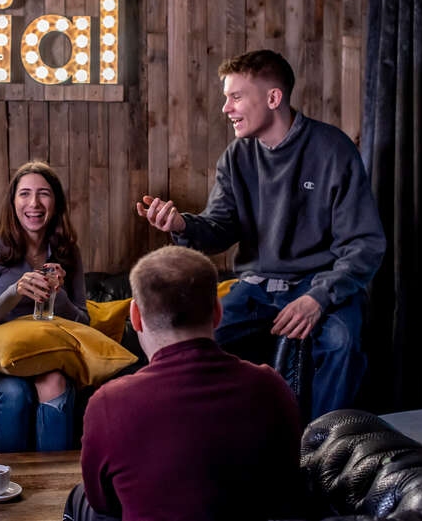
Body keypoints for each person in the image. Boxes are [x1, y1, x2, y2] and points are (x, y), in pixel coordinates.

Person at [136, 49, 386, 418]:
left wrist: (318, 297)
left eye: (236, 97)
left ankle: (323, 451)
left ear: (273, 98)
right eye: (226, 98)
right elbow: (220, 227)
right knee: (188, 344)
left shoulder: (333, 150)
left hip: (319, 284)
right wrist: (182, 225)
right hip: (255, 289)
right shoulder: (236, 157)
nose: (226, 108)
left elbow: (364, 244)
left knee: (341, 341)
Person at [65, 246, 302, 521]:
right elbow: (285, 491)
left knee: (80, 498)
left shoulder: (106, 403)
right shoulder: (270, 387)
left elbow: (101, 501)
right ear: (217, 312)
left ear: (135, 317)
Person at [0, 161, 89, 452]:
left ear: (55, 203)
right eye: (24, 194)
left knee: (55, 382)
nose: (34, 203)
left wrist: (60, 296)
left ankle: (54, 491)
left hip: (45, 359)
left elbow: (84, 324)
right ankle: (5, 485)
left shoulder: (68, 253)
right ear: (13, 202)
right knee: (15, 391)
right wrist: (13, 292)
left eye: (44, 193)